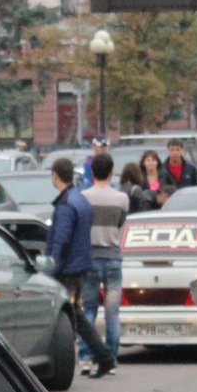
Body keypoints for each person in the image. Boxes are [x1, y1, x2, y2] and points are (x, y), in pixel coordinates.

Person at [47, 158, 117, 378]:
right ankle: (105, 357)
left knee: (63, 316)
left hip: (67, 269)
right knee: (76, 316)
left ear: (55, 175)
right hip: (80, 264)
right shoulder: (80, 199)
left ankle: (99, 357)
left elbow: (62, 240)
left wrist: (51, 267)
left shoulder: (66, 203)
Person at [78, 153, 130, 365]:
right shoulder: (121, 199)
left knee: (88, 309)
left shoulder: (83, 197)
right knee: (112, 311)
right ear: (111, 172)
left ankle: (86, 355)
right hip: (113, 257)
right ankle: (110, 357)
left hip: (90, 257)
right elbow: (120, 224)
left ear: (92, 172)